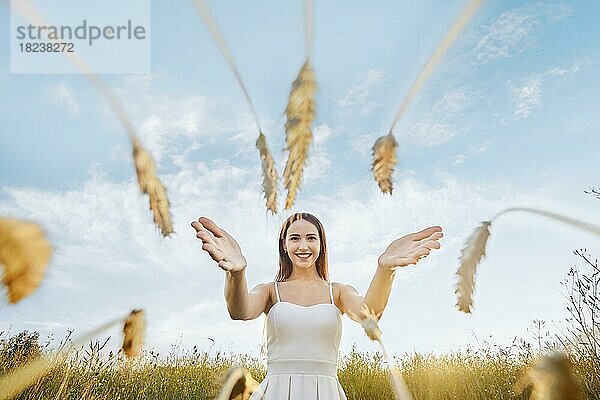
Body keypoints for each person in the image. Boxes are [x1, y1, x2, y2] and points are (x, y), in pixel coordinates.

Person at [192, 212, 442, 400]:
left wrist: (385, 268)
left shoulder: (339, 292)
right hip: (276, 391)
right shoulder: (271, 290)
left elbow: (369, 312)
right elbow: (240, 310)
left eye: (311, 238)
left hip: (326, 391)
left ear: (321, 244)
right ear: (284, 244)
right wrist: (237, 273)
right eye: (295, 238)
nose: (303, 246)